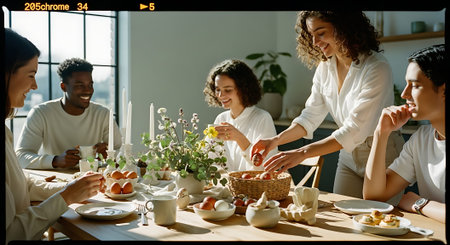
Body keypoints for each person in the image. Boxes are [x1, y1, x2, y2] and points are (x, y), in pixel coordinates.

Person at [252, 11, 405, 201]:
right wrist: (275, 140)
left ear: (344, 28)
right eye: (311, 35)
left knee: (379, 224)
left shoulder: (376, 67)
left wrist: (301, 153)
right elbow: (309, 116)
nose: (315, 42)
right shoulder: (325, 67)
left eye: (321, 33)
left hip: (382, 153)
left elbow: (354, 129)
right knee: (342, 219)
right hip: (348, 154)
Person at [5, 28, 105, 243]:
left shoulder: (4, 131)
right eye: (31, 75)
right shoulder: (41, 113)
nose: (35, 85)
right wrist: (66, 194)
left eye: (90, 84)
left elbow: (21, 183)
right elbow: (10, 235)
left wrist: (71, 188)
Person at [363, 44, 445, 223]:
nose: (404, 94)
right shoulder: (421, 139)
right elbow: (374, 196)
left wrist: (420, 203)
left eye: (415, 85)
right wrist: (381, 134)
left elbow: (413, 202)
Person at [16, 57, 122, 169]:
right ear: (63, 87)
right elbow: (21, 157)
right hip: (56, 181)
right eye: (79, 85)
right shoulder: (41, 113)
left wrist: (110, 153)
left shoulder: (103, 115)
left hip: (94, 179)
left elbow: (121, 152)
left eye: (90, 85)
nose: (88, 91)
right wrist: (55, 160)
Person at [203, 59, 278, 172]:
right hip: (227, 186)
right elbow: (208, 159)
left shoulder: (262, 118)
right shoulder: (221, 118)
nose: (220, 95)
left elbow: (266, 168)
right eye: (217, 89)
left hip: (253, 187)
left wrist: (239, 138)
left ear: (244, 89)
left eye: (227, 90)